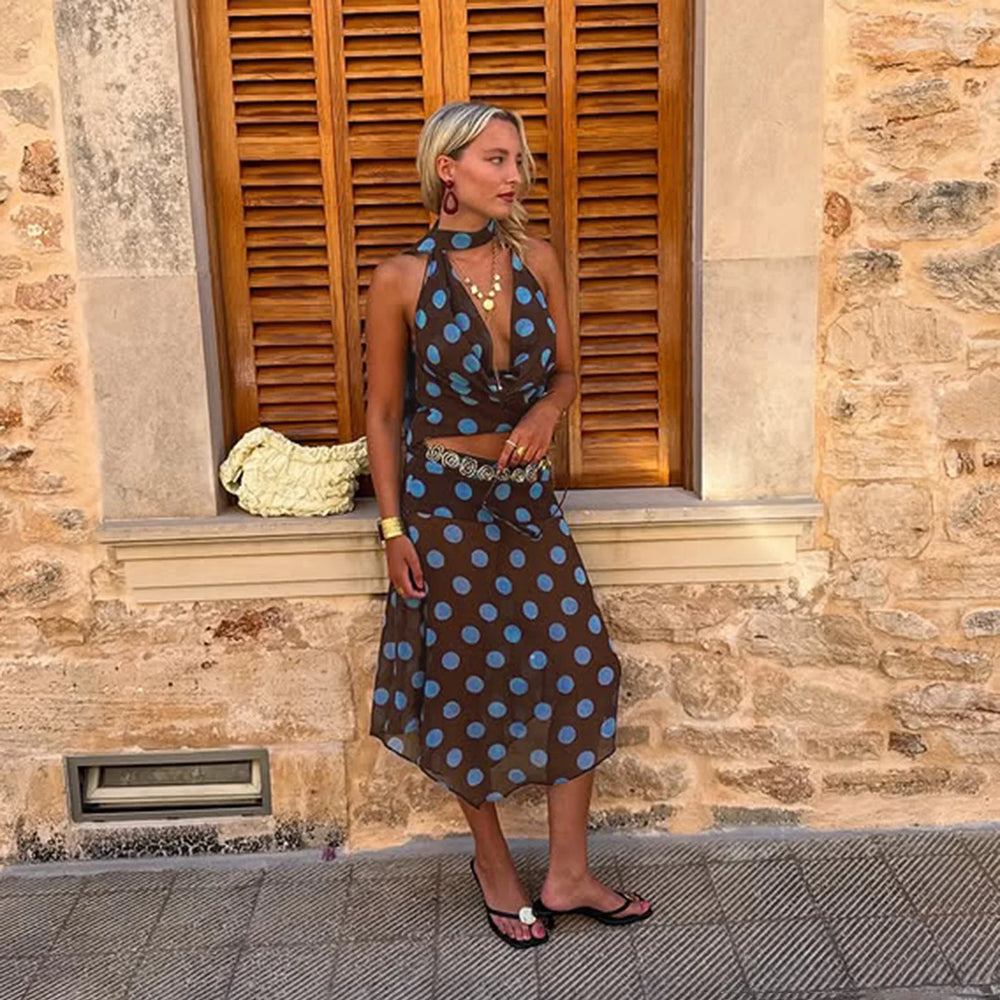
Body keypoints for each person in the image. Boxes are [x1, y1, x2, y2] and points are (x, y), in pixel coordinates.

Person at [364, 100, 653, 949]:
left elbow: (565, 373)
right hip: (443, 510)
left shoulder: (538, 259)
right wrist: (392, 530)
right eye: (495, 159)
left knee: (581, 665)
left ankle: (567, 872)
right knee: (461, 690)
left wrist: (547, 417)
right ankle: (493, 865)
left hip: (526, 506)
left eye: (518, 161)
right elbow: (383, 414)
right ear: (446, 169)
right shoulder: (400, 280)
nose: (514, 174)